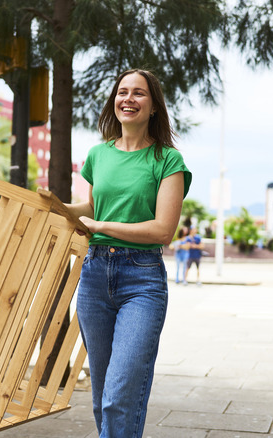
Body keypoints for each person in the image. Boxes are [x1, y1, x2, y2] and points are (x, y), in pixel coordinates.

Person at [66, 69, 192, 438]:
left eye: (139, 93)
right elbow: (90, 206)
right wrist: (54, 207)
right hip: (94, 275)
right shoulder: (97, 155)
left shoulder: (167, 160)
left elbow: (162, 230)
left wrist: (99, 225)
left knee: (119, 396)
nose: (129, 99)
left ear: (153, 106)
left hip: (142, 279)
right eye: (122, 92)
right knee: (101, 395)